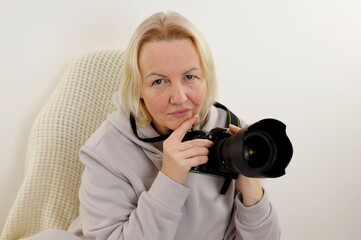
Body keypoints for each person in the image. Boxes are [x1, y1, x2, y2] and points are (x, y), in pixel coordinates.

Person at [33, 11, 281, 240]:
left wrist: (252, 193)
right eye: (159, 81)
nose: (180, 98)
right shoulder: (105, 152)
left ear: (207, 78)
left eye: (190, 77)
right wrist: (170, 180)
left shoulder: (232, 133)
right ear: (138, 87)